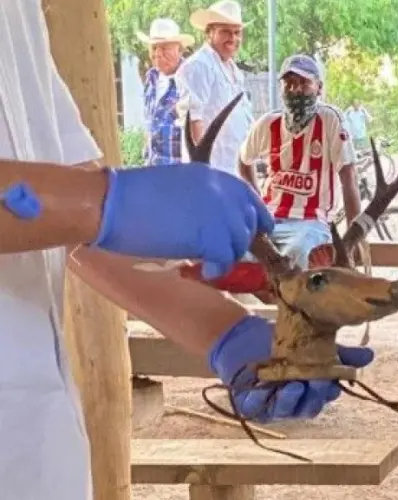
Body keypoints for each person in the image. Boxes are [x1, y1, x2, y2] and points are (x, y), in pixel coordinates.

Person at [0, 2, 373, 499]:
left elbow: (73, 232)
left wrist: (222, 329)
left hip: (38, 456)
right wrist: (105, 202)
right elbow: (84, 211)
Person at [237, 54, 361, 269]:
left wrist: (353, 237)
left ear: (319, 88)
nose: (296, 90)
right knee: (234, 254)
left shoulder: (330, 120)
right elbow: (244, 159)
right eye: (290, 83)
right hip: (270, 220)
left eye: (304, 83)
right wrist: (257, 200)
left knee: (298, 255)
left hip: (312, 223)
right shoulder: (268, 123)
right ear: (281, 88)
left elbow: (348, 177)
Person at [175, 0, 253, 176]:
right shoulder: (199, 65)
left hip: (232, 168)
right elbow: (194, 120)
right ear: (209, 34)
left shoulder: (232, 69)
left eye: (237, 32)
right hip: (212, 171)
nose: (233, 38)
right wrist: (203, 170)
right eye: (225, 31)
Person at [138, 18, 194, 166]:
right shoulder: (151, 78)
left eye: (165, 48)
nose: (158, 53)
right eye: (154, 47)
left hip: (178, 174)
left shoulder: (191, 80)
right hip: (152, 172)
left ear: (180, 49)